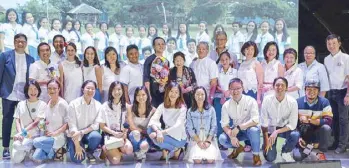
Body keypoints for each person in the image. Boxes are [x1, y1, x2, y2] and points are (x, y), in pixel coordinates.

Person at [0, 33, 35, 159]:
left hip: (24, 96)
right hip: (8, 94)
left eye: (22, 41)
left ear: (26, 43)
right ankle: (5, 148)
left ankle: (24, 147)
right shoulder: (5, 56)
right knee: (7, 121)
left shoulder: (30, 59)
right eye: (17, 41)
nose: (20, 43)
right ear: (14, 42)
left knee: (25, 123)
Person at [218, 78, 262, 166]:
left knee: (254, 130)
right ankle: (238, 148)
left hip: (249, 130)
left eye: (238, 88)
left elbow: (255, 120)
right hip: (236, 132)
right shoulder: (226, 105)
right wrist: (231, 136)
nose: (235, 91)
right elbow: (224, 124)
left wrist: (239, 127)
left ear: (242, 88)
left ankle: (256, 155)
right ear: (229, 90)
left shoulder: (251, 101)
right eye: (232, 89)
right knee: (222, 139)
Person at [261, 77, 299, 162]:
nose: (280, 87)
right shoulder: (267, 100)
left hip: (284, 129)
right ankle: (265, 145)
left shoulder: (292, 102)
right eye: (277, 85)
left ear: (286, 88)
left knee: (295, 134)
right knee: (270, 158)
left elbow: (292, 125)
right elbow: (264, 123)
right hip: (271, 129)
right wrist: (266, 140)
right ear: (273, 87)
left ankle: (285, 151)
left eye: (282, 85)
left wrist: (277, 132)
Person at [293, 80, 333, 161]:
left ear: (318, 91)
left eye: (314, 89)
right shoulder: (297, 102)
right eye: (309, 89)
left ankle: (321, 152)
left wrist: (309, 120)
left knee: (326, 128)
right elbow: (292, 123)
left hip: (316, 135)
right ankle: (308, 150)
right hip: (304, 136)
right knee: (298, 157)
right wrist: (299, 138)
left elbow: (328, 120)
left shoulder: (324, 102)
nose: (312, 92)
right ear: (305, 90)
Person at [148, 82, 187, 161]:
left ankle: (175, 148)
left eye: (176, 92)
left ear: (179, 94)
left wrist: (161, 133)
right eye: (171, 91)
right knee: (150, 129)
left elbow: (178, 126)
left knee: (154, 135)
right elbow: (153, 119)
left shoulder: (182, 108)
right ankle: (172, 149)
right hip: (166, 134)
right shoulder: (162, 105)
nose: (173, 94)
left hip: (179, 137)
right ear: (168, 92)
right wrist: (158, 131)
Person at [323, 34, 349, 153]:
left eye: (334, 43)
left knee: (344, 119)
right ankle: (335, 142)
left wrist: (348, 95)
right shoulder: (326, 59)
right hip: (331, 92)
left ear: (339, 44)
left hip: (343, 91)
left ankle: (343, 144)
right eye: (329, 44)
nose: (331, 46)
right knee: (334, 119)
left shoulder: (346, 58)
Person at [32, 79, 68, 162]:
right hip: (48, 136)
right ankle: (56, 151)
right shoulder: (48, 102)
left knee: (36, 142)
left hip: (59, 136)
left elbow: (68, 123)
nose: (52, 90)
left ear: (59, 89)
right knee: (36, 157)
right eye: (49, 88)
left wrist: (55, 133)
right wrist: (43, 127)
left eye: (54, 88)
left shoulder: (62, 103)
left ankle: (60, 147)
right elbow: (44, 121)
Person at [97, 81, 133, 164]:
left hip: (121, 136)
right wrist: (113, 133)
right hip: (110, 136)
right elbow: (102, 126)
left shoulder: (127, 106)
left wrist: (125, 133)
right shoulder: (104, 106)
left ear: (123, 91)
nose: (117, 92)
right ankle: (105, 149)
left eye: (119, 89)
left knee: (129, 149)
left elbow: (128, 124)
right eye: (114, 90)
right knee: (115, 161)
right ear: (110, 92)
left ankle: (116, 151)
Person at [67, 80, 102, 163]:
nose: (90, 91)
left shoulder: (98, 105)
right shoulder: (73, 104)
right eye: (88, 88)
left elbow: (96, 125)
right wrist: (77, 145)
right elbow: (72, 126)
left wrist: (82, 132)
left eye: (93, 89)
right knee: (78, 160)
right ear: (83, 89)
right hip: (74, 135)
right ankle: (74, 145)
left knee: (96, 136)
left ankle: (89, 151)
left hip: (87, 134)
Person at [184, 86, 222, 164]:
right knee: (197, 160)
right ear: (194, 96)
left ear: (205, 96)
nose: (200, 96)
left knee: (210, 160)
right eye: (197, 94)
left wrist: (208, 141)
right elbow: (189, 128)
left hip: (209, 137)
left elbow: (214, 126)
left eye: (202, 94)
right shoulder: (190, 111)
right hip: (196, 138)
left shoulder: (211, 109)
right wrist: (198, 141)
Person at [12, 80, 46, 163]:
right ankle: (27, 149)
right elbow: (17, 120)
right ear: (26, 90)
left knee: (38, 160)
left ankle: (31, 149)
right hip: (22, 137)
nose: (33, 91)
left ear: (39, 90)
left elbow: (37, 123)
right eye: (30, 89)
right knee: (16, 160)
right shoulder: (21, 104)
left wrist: (21, 133)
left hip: (34, 137)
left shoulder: (43, 104)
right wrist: (20, 134)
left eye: (35, 89)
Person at [127, 86, 156, 161]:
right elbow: (131, 126)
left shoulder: (153, 110)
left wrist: (145, 133)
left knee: (144, 145)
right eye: (138, 95)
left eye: (143, 95)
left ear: (147, 95)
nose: (141, 97)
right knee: (135, 133)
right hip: (134, 135)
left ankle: (142, 151)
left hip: (147, 136)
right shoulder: (130, 108)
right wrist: (142, 131)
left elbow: (153, 127)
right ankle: (137, 151)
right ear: (135, 97)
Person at [214, 51, 237, 137]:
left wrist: (229, 91)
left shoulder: (235, 72)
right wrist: (223, 92)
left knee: (231, 119)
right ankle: (220, 140)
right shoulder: (217, 72)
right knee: (220, 119)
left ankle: (231, 138)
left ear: (230, 60)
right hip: (219, 98)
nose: (224, 61)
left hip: (231, 98)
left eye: (226, 59)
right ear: (220, 61)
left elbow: (236, 84)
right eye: (222, 60)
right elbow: (215, 85)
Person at [143, 37, 169, 107]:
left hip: (163, 93)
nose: (161, 46)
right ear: (154, 46)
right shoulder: (149, 59)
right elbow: (146, 78)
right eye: (158, 44)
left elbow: (166, 77)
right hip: (152, 93)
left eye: (163, 44)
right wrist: (148, 94)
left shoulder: (166, 61)